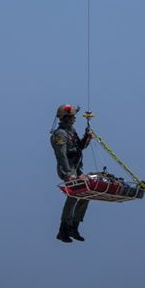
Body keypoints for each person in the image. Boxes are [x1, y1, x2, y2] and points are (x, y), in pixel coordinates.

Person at [50, 103, 92, 243]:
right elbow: (61, 155)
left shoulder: (71, 131)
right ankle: (63, 230)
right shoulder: (60, 134)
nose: (75, 118)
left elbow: (79, 147)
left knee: (87, 192)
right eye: (73, 116)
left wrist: (87, 138)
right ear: (66, 118)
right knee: (73, 195)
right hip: (67, 168)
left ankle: (74, 226)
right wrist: (69, 173)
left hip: (76, 167)